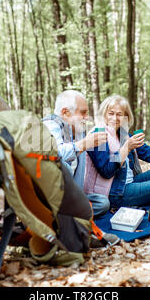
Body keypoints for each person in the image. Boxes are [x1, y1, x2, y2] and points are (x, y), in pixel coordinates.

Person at [42, 90, 120, 247]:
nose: (87, 118)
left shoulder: (75, 132)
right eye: (83, 113)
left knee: (103, 203)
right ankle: (77, 225)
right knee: (63, 164)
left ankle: (76, 214)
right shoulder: (50, 126)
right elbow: (56, 154)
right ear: (65, 113)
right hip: (48, 199)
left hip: (69, 198)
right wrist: (85, 144)